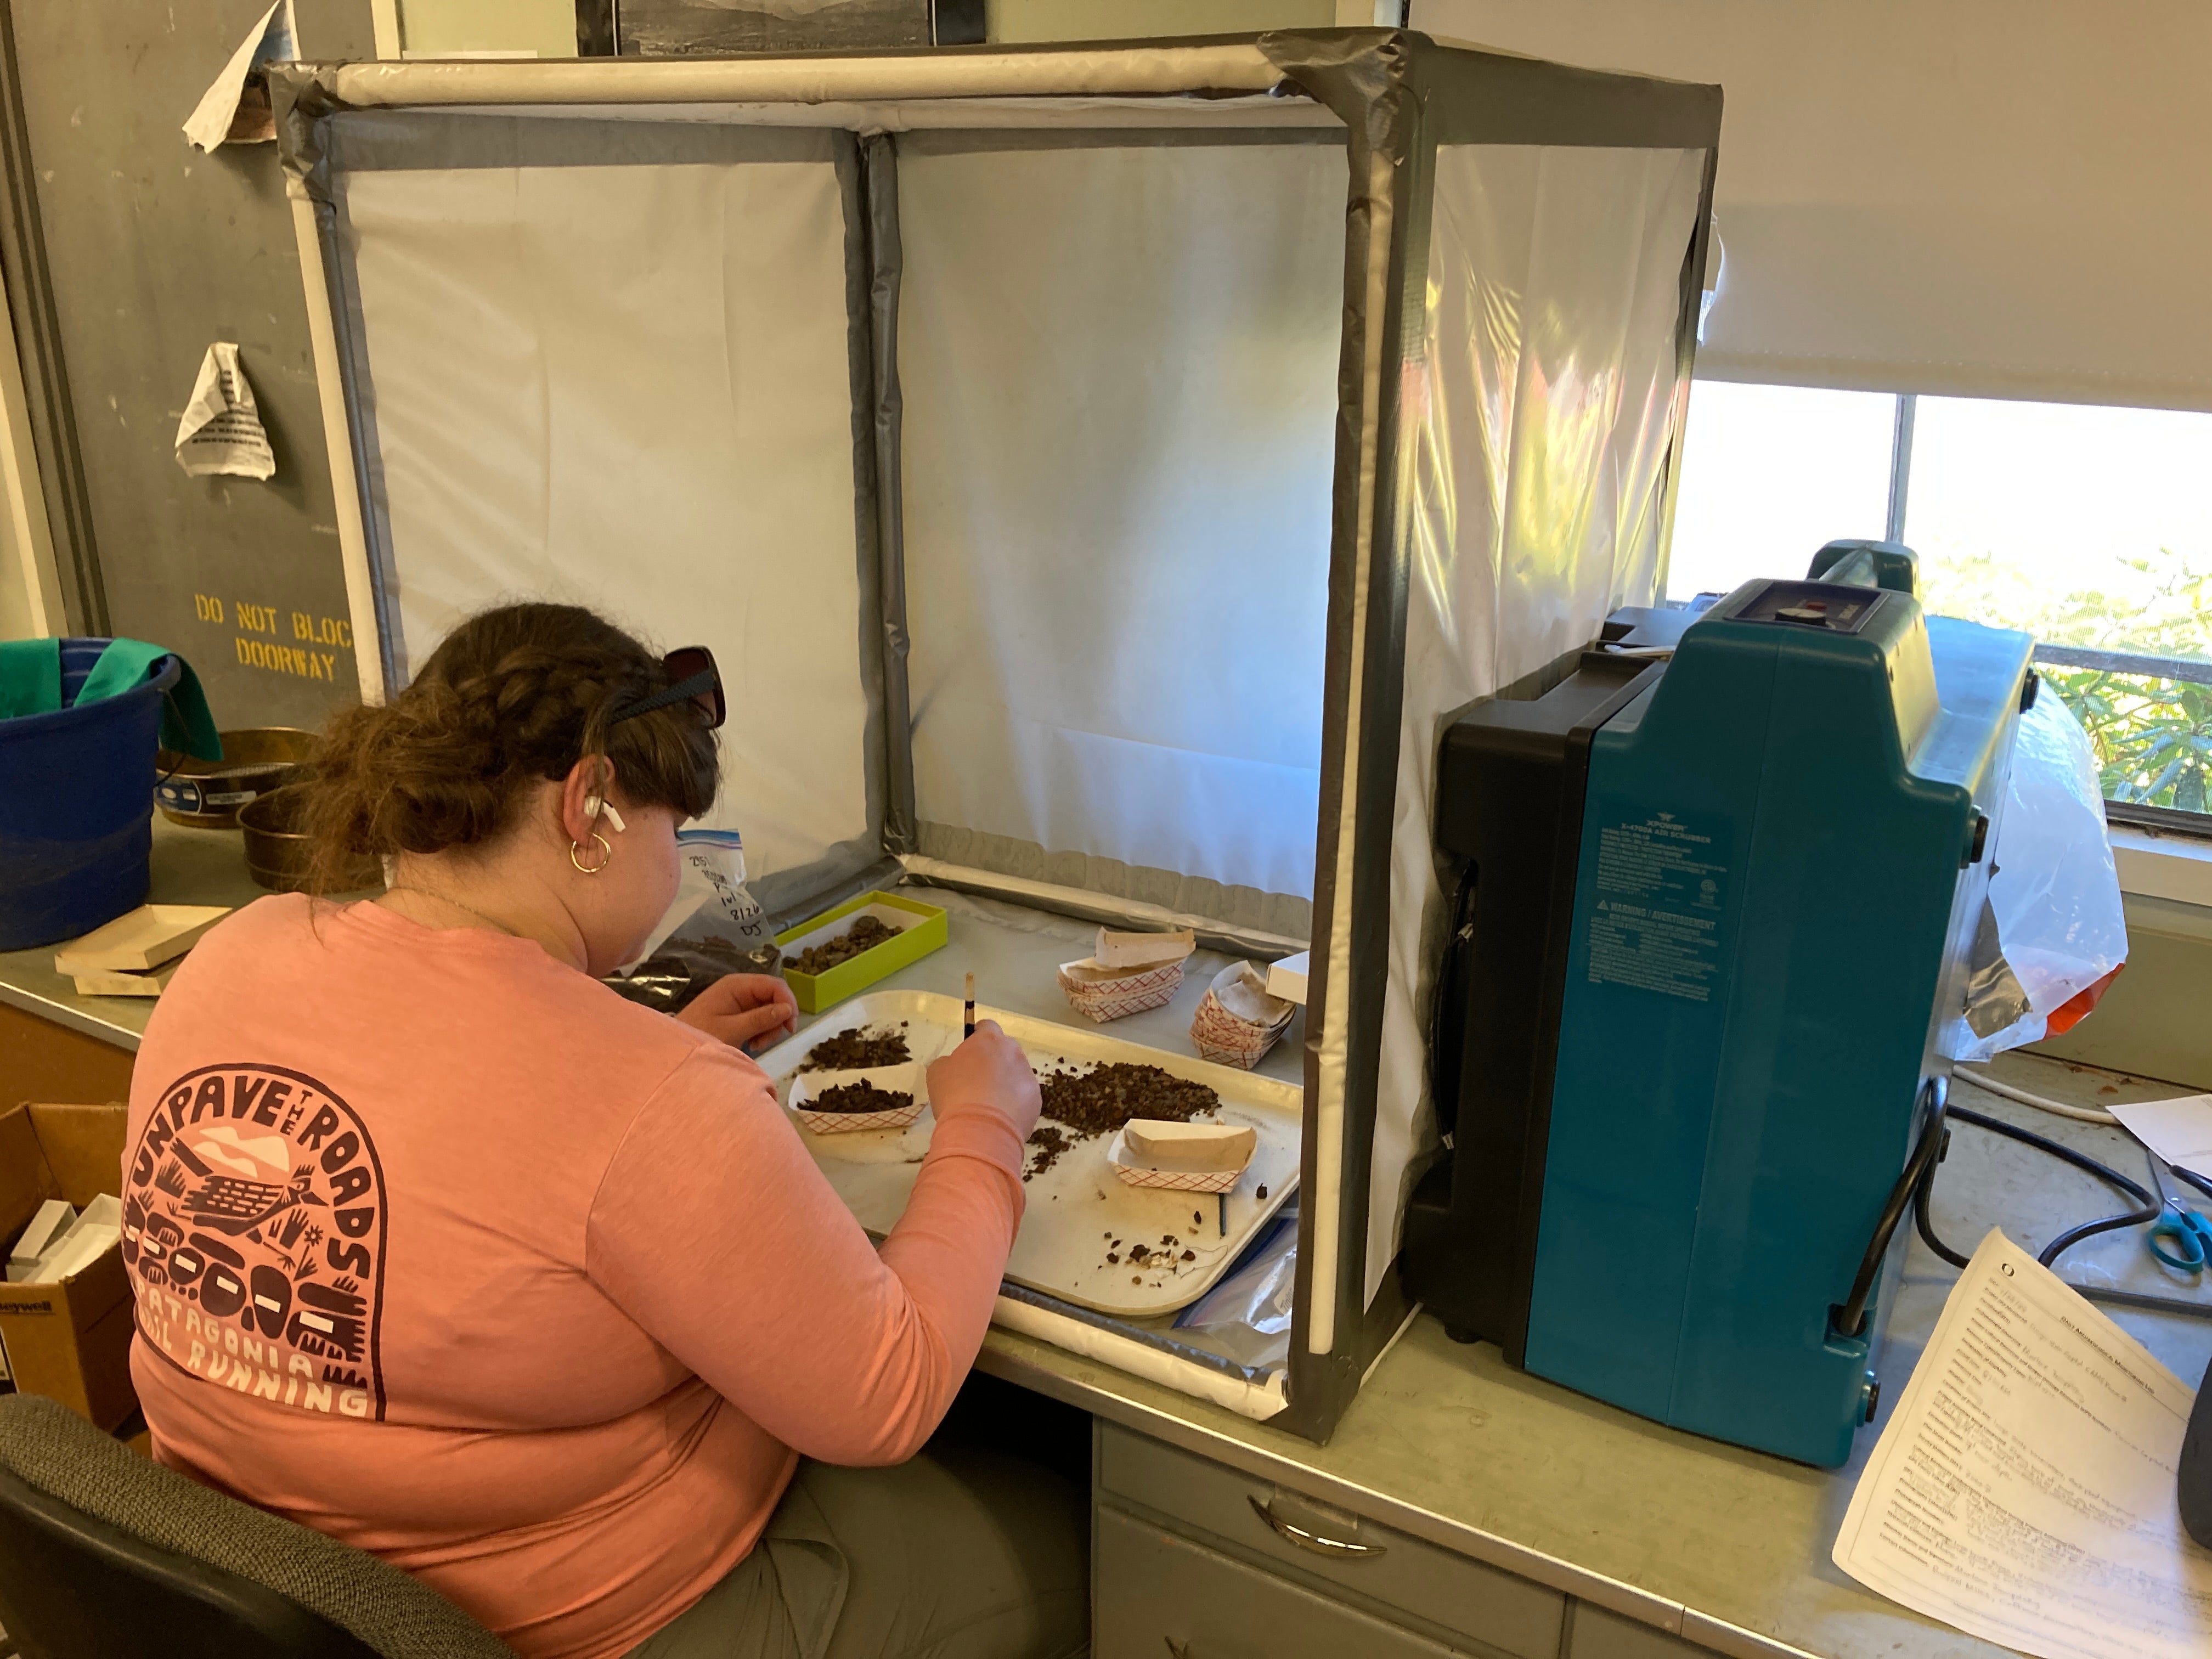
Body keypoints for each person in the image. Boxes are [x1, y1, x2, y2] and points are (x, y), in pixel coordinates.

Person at [120, 602, 1086, 1659]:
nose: (678, 866)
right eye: (673, 827)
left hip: (257, 1584)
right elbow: (885, 1394)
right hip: (559, 1623)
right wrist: (987, 1123)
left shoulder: (237, 953)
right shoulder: (649, 1100)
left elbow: (468, 1110)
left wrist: (647, 1045)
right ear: (591, 807)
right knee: (1066, 1541)